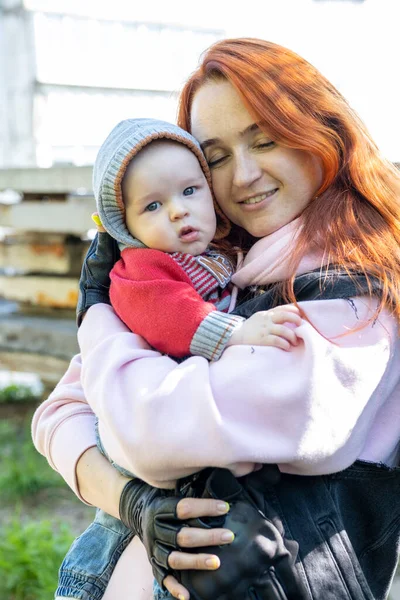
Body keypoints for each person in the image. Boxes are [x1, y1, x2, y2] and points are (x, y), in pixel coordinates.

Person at [32, 37, 400, 600]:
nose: (244, 175)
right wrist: (131, 502)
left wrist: (99, 314)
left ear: (321, 133)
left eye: (266, 139)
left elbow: (152, 436)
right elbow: (59, 415)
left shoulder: (353, 296)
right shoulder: (221, 274)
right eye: (218, 157)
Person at [53, 117, 304, 600]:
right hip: (137, 463)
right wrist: (236, 331)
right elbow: (169, 314)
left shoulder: (214, 255)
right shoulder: (140, 267)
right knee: (113, 558)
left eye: (190, 191)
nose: (177, 212)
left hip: (185, 469)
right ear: (125, 226)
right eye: (152, 205)